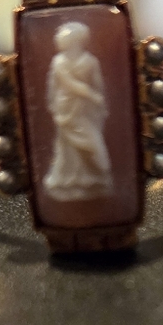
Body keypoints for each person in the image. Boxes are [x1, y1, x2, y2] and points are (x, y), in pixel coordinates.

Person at [43, 21, 113, 201]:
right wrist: (54, 105)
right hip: (65, 108)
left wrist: (99, 101)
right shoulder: (58, 62)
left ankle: (95, 177)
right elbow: (57, 85)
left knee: (91, 142)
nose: (59, 42)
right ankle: (66, 180)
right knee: (67, 147)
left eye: (63, 39)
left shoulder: (90, 61)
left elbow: (98, 85)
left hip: (86, 110)